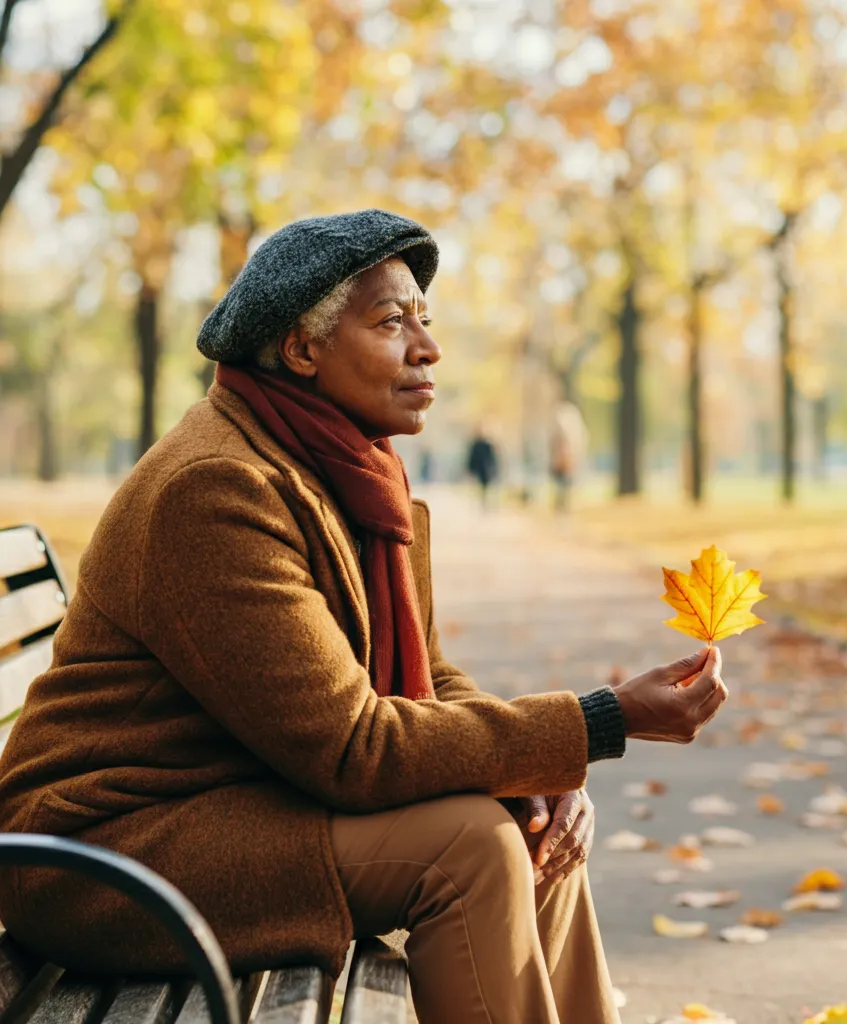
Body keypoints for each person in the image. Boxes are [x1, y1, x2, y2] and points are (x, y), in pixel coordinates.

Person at [0, 210, 728, 1024]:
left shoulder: (347, 469)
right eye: (392, 322)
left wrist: (546, 767)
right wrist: (597, 722)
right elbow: (354, 749)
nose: (428, 347)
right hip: (108, 850)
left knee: (528, 821)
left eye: (425, 318)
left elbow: (432, 676)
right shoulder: (214, 489)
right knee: (469, 849)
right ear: (302, 350)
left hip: (226, 803)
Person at [550, 399, 588, 512]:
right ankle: (562, 504)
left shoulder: (562, 423)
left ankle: (562, 504)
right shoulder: (571, 423)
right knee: (563, 482)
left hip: (563, 458)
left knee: (563, 483)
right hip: (564, 458)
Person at [466, 425, 499, 509]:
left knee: (485, 486)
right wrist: (470, 468)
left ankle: (484, 502)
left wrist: (493, 467)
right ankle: (481, 502)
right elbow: (471, 458)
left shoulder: (486, 445)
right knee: (480, 486)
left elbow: (491, 458)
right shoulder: (475, 445)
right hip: (479, 469)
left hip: (485, 469)